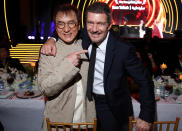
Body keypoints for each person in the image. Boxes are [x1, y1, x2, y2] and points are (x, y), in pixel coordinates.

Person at [41, 2, 155, 131]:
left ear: (109, 25)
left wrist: (146, 116)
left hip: (112, 107)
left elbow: (145, 81)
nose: (94, 29)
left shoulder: (123, 49)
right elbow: (65, 28)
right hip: (88, 103)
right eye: (90, 23)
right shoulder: (84, 35)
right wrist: (52, 39)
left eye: (100, 23)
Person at [38, 4, 95, 131]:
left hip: (87, 123)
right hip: (59, 124)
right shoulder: (49, 50)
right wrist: (67, 65)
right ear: (55, 26)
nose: (66, 29)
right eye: (60, 24)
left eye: (71, 23)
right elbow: (45, 89)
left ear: (79, 25)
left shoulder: (89, 45)